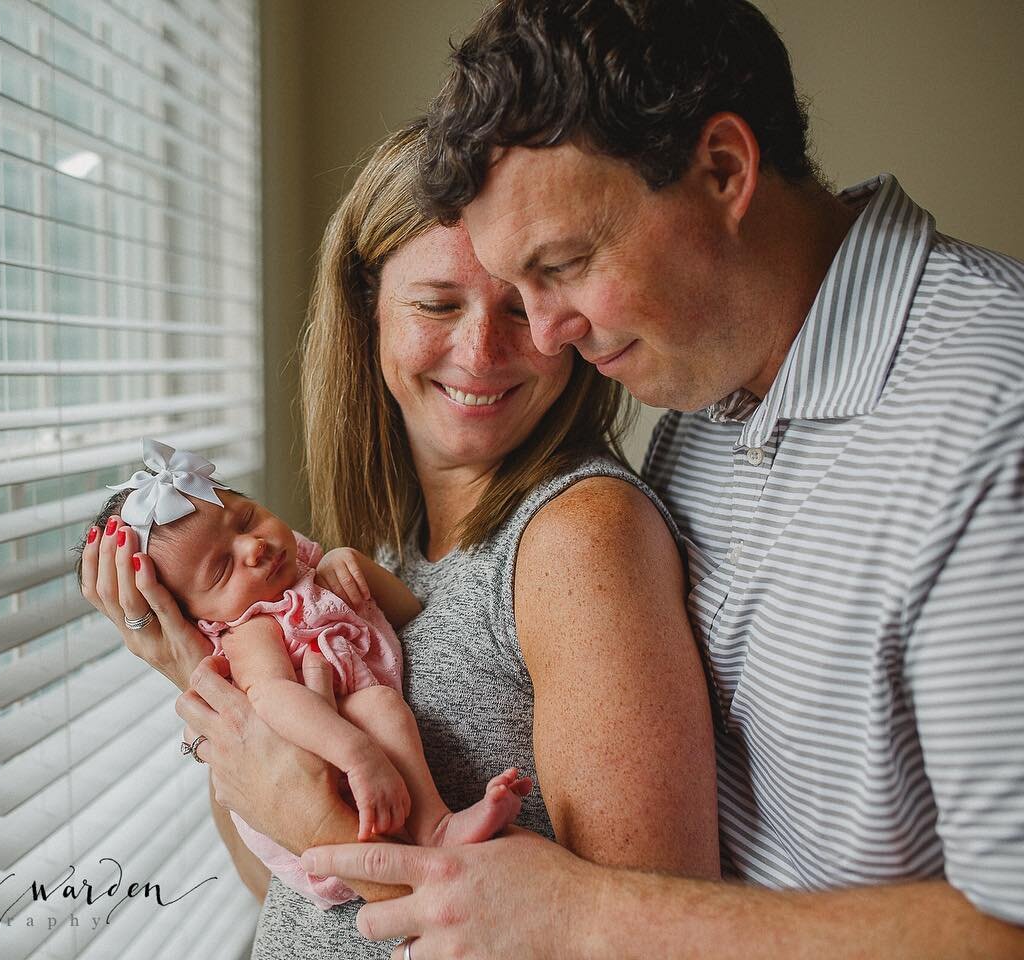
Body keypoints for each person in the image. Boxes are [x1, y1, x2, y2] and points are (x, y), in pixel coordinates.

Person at [291, 1, 1024, 957]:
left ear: (723, 171)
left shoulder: (990, 417)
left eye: (563, 266)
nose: (543, 337)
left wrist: (582, 913)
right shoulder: (704, 399)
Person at [79, 122, 720, 958]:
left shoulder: (577, 539)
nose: (482, 352)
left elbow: (642, 945)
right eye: (436, 304)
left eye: (520, 304)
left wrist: (325, 821)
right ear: (367, 310)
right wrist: (200, 672)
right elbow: (287, 890)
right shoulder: (384, 551)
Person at [75, 440, 533, 911]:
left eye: (246, 519)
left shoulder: (307, 573)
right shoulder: (251, 629)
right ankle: (427, 832)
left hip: (339, 783)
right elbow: (273, 698)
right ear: (197, 619)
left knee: (380, 706)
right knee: (375, 708)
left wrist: (351, 568)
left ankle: (437, 827)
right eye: (220, 568)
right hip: (317, 774)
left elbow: (408, 615)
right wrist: (355, 754)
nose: (252, 547)